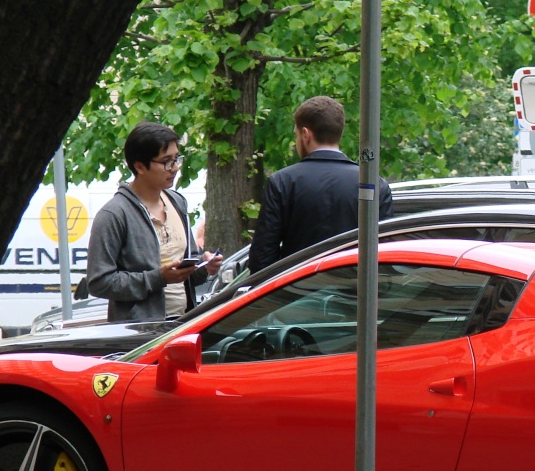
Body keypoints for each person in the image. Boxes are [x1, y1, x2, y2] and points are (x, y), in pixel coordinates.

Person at [87, 121, 222, 322]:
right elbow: (99, 282)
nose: (175, 168)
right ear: (140, 166)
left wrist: (203, 267)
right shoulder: (114, 214)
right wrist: (157, 278)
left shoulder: (177, 201)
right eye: (167, 161)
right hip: (139, 333)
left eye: (177, 159)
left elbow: (185, 273)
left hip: (184, 322)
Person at [249, 96, 393, 272]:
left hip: (296, 293)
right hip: (355, 294)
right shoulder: (374, 184)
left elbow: (261, 260)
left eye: (296, 135)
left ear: (305, 134)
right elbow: (386, 255)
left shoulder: (282, 182)